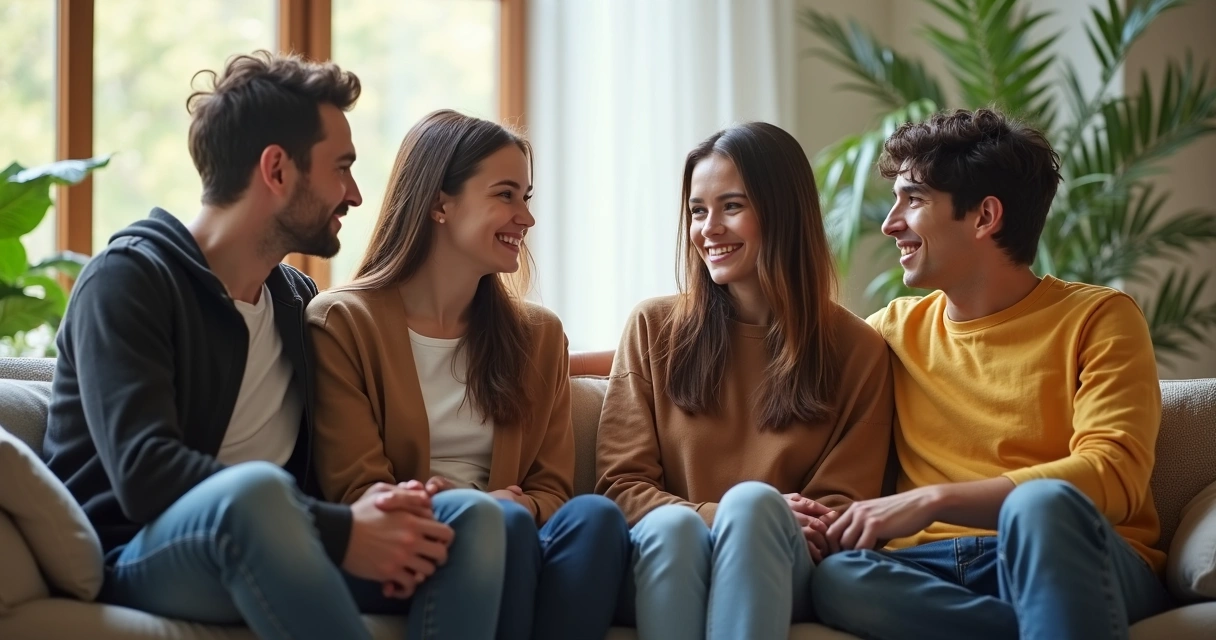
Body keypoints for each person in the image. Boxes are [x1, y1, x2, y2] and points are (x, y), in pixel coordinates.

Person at [42, 51, 506, 640]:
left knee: (471, 519)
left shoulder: (294, 299)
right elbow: (145, 473)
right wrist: (342, 531)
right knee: (255, 492)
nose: (355, 195)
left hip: (283, 539)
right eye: (341, 168)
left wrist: (398, 503)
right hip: (139, 551)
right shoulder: (130, 278)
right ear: (278, 170)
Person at [811, 108, 1174, 640]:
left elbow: (1114, 475)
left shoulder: (1098, 317)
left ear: (984, 217)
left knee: (1041, 506)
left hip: (1073, 555)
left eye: (914, 199)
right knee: (839, 579)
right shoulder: (890, 331)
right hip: (934, 567)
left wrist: (934, 500)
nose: (890, 223)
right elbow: (791, 386)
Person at [306, 108, 629, 640]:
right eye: (506, 195)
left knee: (597, 519)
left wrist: (515, 507)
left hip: (516, 534)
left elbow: (553, 488)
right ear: (440, 204)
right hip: (404, 545)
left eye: (527, 197)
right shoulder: (342, 322)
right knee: (505, 525)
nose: (526, 218)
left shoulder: (539, 336)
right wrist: (481, 510)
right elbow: (358, 489)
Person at [595, 121, 895, 640]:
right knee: (683, 526)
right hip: (670, 553)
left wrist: (754, 516)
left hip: (784, 564)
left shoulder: (858, 350)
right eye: (697, 211)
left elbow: (840, 513)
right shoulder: (652, 327)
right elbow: (620, 488)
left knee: (755, 508)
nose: (709, 228)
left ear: (783, 213)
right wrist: (719, 515)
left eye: (731, 206)